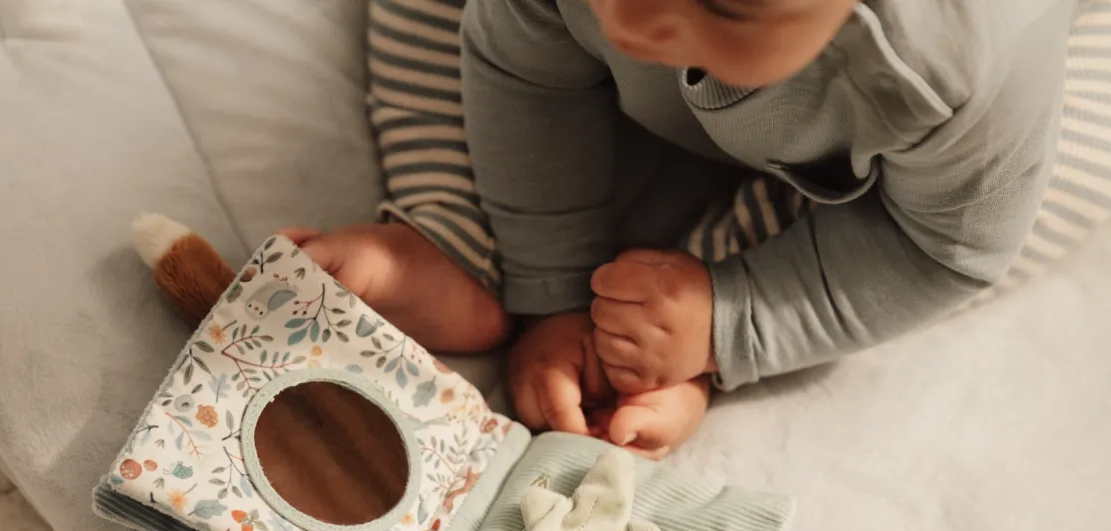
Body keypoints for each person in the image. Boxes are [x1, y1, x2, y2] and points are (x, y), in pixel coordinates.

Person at [278, 0, 1074, 459]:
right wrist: (550, 284)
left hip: (854, 160)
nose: (628, 17)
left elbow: (942, 250)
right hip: (582, 68)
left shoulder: (951, 70)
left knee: (1061, 179)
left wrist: (730, 319)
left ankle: (686, 329)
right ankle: (457, 230)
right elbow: (516, 56)